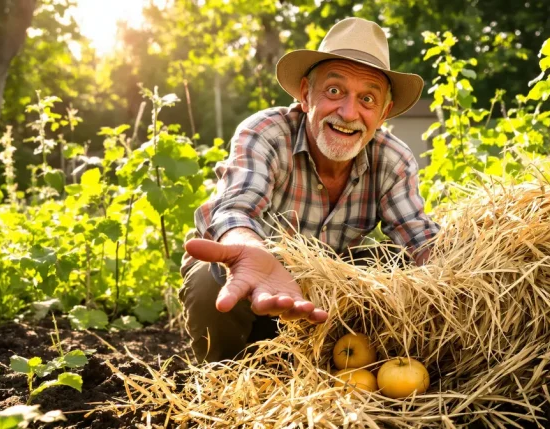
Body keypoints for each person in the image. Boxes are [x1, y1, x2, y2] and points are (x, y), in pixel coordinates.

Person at [178, 17, 439, 363]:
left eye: (367, 99)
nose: (348, 113)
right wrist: (247, 250)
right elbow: (236, 209)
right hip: (254, 282)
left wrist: (464, 271)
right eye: (334, 91)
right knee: (212, 281)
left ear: (384, 113)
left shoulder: (393, 160)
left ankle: (336, 365)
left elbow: (419, 239)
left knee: (393, 264)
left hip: (322, 297)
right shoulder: (267, 133)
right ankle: (224, 380)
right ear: (305, 95)